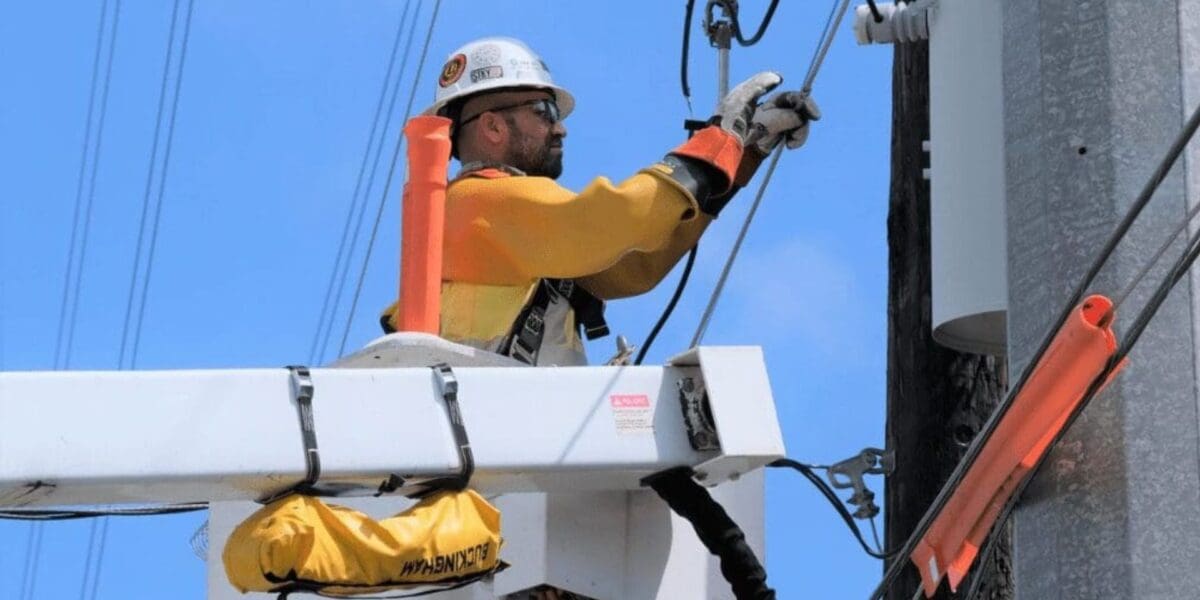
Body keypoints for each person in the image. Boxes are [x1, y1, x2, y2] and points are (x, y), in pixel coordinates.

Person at [381, 37, 818, 366]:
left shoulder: (516, 232)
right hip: (490, 434)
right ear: (493, 127)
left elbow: (633, 266)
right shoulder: (478, 201)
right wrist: (716, 142)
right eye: (544, 112)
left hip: (504, 435)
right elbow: (616, 220)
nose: (560, 129)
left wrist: (745, 151)